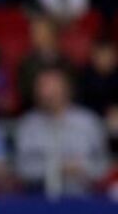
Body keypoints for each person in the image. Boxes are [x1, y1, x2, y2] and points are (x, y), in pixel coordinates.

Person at [14, 66, 109, 194]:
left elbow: (103, 165)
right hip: (37, 198)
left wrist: (82, 168)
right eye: (42, 88)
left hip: (85, 197)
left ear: (66, 90)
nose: (46, 94)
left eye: (52, 89)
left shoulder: (88, 122)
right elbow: (21, 168)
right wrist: (56, 168)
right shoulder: (28, 125)